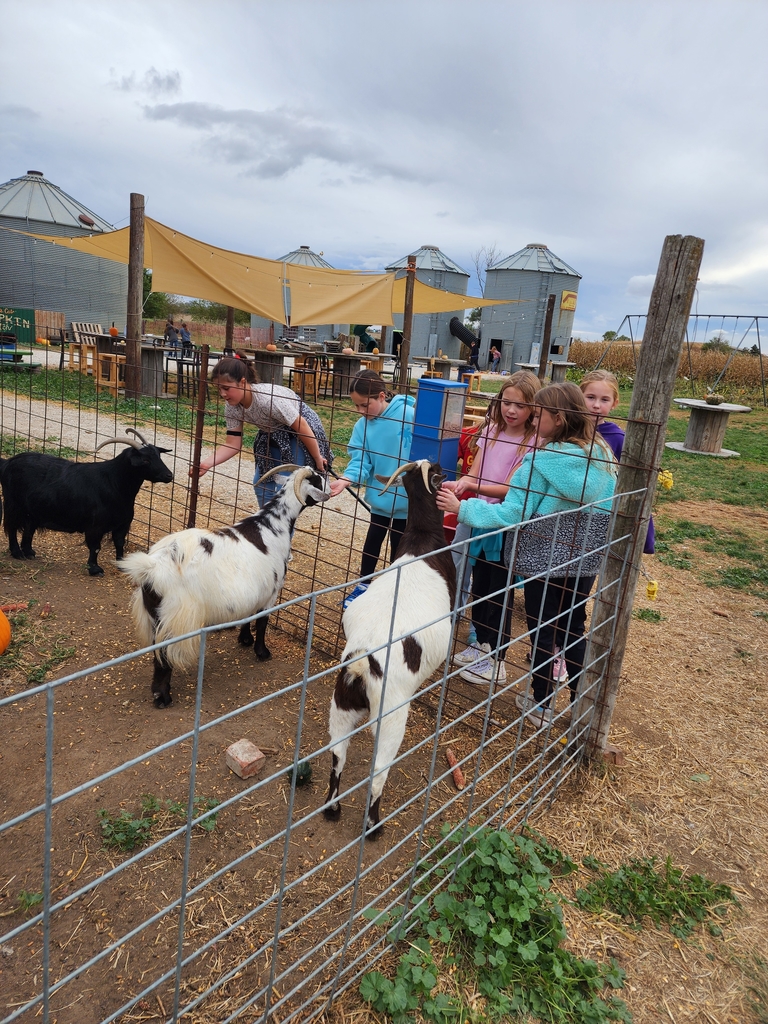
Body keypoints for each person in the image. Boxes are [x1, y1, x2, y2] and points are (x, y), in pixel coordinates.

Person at [437, 383, 617, 725]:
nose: (533, 421)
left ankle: (542, 702)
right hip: (584, 558)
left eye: (539, 415)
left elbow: (511, 514)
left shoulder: (540, 462)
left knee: (543, 630)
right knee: (572, 628)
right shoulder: (602, 456)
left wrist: (462, 509)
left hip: (542, 558)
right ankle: (583, 703)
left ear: (558, 419)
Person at [439, 370, 541, 685]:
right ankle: (481, 644)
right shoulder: (492, 430)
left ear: (533, 408)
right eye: (507, 402)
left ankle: (496, 659)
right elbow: (476, 471)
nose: (511, 410)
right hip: (478, 515)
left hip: (502, 521)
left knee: (498, 588)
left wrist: (472, 486)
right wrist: (463, 482)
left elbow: (511, 489)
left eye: (520, 406)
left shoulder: (533, 440)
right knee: (480, 583)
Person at [194, 354, 333, 506]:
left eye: (226, 388)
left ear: (242, 382)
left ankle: (283, 520)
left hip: (299, 433)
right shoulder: (232, 407)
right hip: (271, 432)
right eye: (219, 388)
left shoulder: (267, 400)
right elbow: (232, 443)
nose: (222, 394)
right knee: (262, 485)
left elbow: (302, 426)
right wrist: (207, 464)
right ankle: (267, 520)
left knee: (287, 487)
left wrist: (318, 457)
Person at [328, 370, 415, 608]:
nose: (360, 411)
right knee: (373, 540)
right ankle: (363, 585)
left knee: (399, 545)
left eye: (365, 405)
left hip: (407, 499)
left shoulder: (409, 415)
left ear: (381, 396)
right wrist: (346, 479)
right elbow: (361, 460)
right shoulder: (362, 426)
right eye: (356, 406)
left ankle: (394, 591)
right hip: (381, 498)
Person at [580, 370, 654, 554]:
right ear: (579, 397)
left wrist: (645, 534)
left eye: (604, 400)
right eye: (590, 397)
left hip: (600, 513)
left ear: (614, 403)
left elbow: (634, 482)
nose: (596, 405)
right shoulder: (568, 430)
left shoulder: (619, 439)